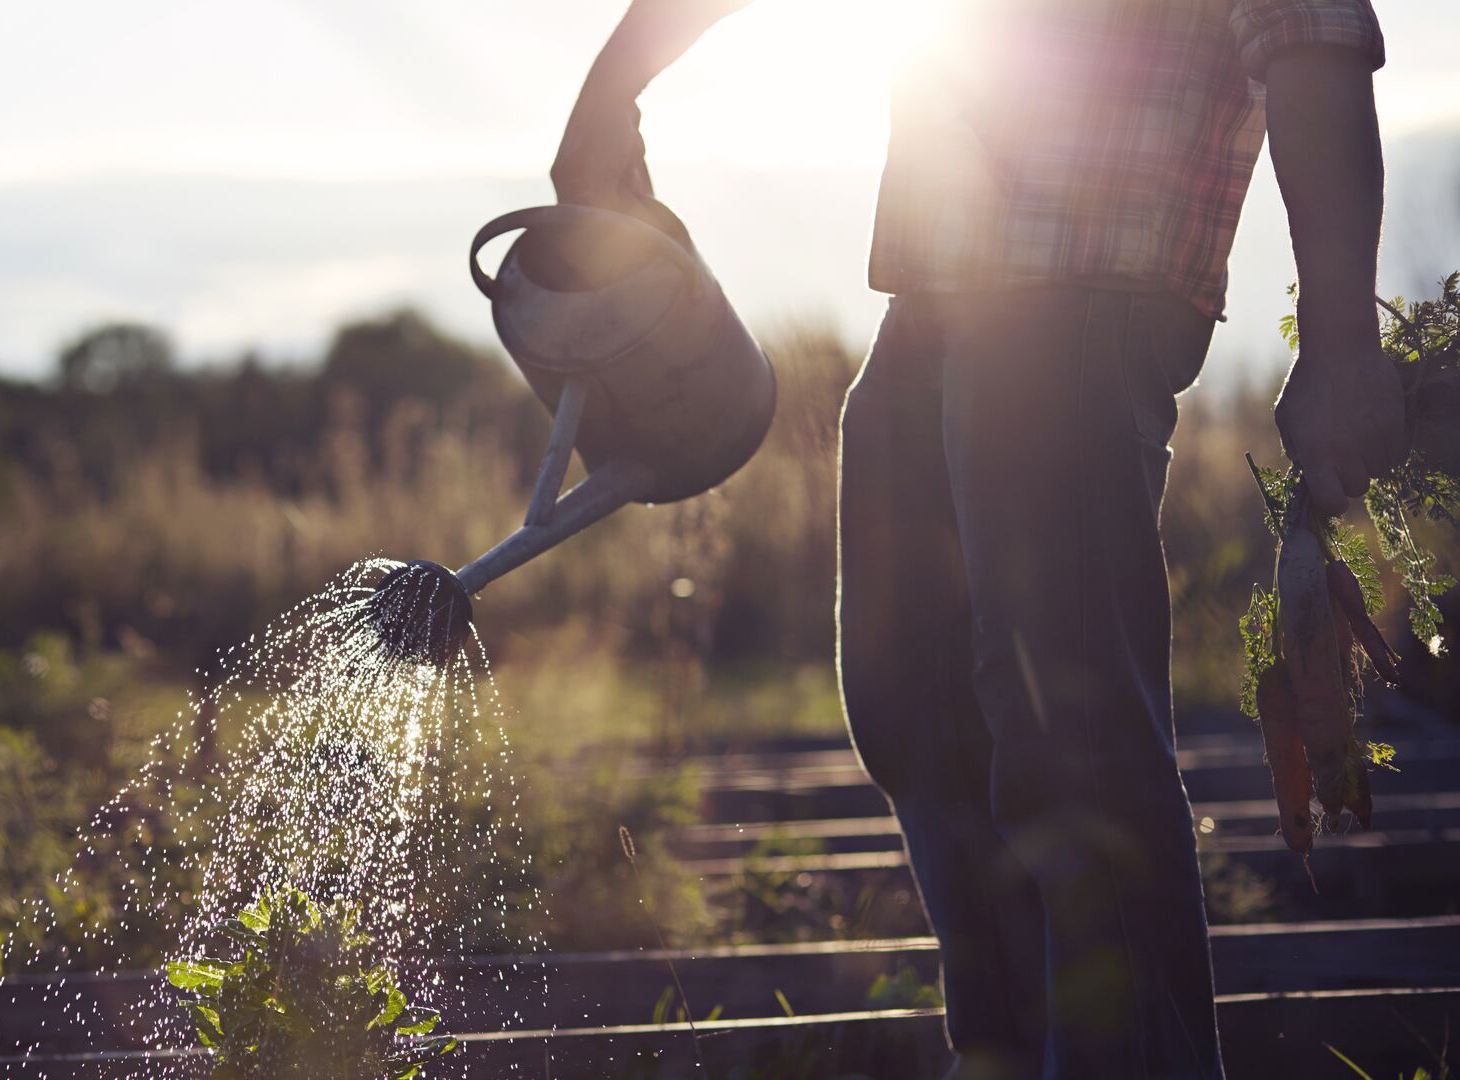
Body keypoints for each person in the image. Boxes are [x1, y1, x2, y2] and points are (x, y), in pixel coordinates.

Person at [553, 2, 1405, 1077]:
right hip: (939, 291)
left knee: (1068, 731)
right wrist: (609, 90)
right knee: (912, 699)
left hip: (1090, 295)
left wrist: (1342, 343)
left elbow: (1310, 31)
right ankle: (1004, 1048)